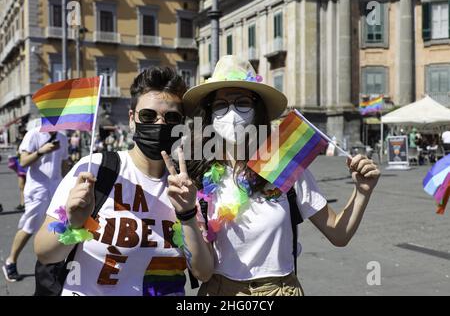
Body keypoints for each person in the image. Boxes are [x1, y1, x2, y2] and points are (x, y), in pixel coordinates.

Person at [183, 55, 380, 296]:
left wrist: (362, 192)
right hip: (219, 291)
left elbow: (338, 234)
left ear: (258, 110)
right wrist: (186, 214)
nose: (232, 113)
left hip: (278, 290)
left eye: (242, 102)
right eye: (221, 105)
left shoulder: (285, 164)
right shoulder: (198, 175)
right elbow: (201, 271)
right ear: (210, 115)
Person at [34, 67, 213, 296]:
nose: (159, 124)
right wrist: (74, 223)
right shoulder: (96, 169)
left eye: (171, 117)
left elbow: (203, 273)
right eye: (148, 116)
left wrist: (187, 214)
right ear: (132, 120)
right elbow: (45, 253)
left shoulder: (187, 184)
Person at [2, 127, 70, 282]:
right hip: (37, 189)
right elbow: (23, 162)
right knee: (29, 226)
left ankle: (55, 265)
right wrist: (41, 151)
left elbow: (64, 164)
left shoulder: (62, 137)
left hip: (56, 189)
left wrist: (69, 185)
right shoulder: (33, 134)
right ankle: (10, 261)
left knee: (58, 227)